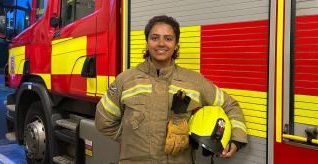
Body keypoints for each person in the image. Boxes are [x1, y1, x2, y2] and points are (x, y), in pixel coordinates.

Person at [95, 15, 248, 164]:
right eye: (155, 38)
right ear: (147, 42)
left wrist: (236, 139)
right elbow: (104, 120)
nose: (161, 43)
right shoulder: (125, 79)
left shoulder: (194, 81)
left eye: (168, 38)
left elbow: (230, 105)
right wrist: (133, 140)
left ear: (176, 45)